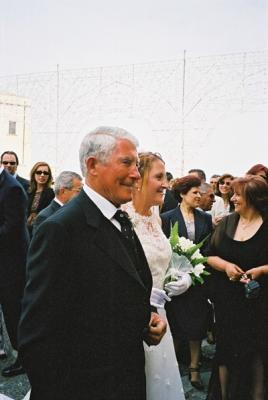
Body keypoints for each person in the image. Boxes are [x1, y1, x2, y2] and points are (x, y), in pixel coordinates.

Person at [18, 126, 166, 400]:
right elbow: (37, 335)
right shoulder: (61, 229)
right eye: (127, 163)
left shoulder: (119, 218)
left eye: (136, 164)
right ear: (92, 165)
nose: (136, 173)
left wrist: (144, 320)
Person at [123, 152, 185, 400]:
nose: (166, 184)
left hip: (160, 315)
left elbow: (158, 260)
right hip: (134, 317)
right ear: (138, 180)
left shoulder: (154, 215)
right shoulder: (123, 217)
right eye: (158, 177)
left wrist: (180, 277)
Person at [206, 175, 268, 400]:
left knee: (257, 354)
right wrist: (225, 267)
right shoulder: (228, 222)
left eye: (237, 195)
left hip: (259, 303)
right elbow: (209, 256)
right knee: (225, 350)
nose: (232, 198)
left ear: (253, 198)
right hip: (227, 301)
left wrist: (261, 270)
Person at [161, 175, 213, 391]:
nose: (199, 196)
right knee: (175, 323)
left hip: (197, 279)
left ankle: (194, 367)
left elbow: (208, 248)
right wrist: (174, 272)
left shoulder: (205, 218)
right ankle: (170, 368)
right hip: (174, 278)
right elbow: (164, 248)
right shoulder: (167, 218)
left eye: (200, 193)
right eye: (195, 193)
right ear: (182, 194)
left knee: (197, 324)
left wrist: (195, 271)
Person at [0, 163, 29, 377]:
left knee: (14, 312)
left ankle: (24, 358)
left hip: (11, 264)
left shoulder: (12, 188)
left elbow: (12, 228)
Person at [32, 170, 83, 235]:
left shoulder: (74, 212)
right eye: (79, 191)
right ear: (63, 191)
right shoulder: (45, 217)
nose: (81, 195)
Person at [27, 161, 54, 236]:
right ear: (33, 174)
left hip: (40, 230)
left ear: (49, 176)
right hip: (25, 230)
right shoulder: (28, 192)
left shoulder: (51, 193)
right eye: (39, 172)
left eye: (46, 173)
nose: (42, 175)